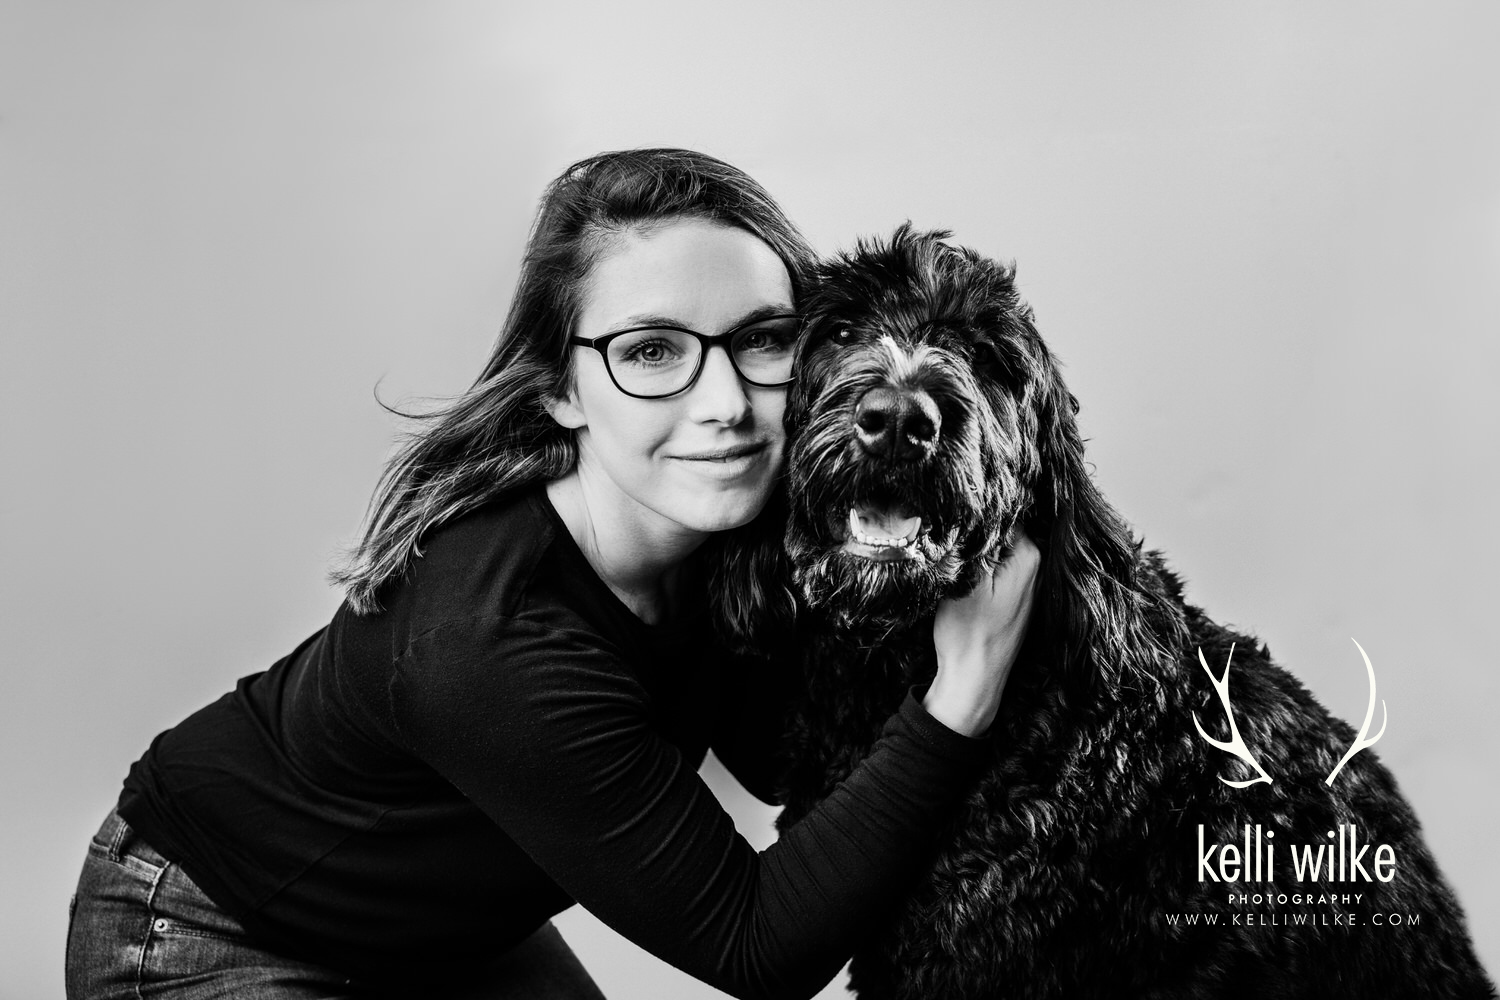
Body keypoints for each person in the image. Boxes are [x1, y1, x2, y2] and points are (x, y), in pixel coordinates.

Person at [65, 148, 1040, 1000]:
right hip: (204, 918)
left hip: (439, 925)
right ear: (561, 391)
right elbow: (760, 947)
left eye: (764, 340)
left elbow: (781, 756)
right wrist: (959, 697)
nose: (728, 404)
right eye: (652, 350)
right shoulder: (492, 643)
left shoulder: (725, 529)